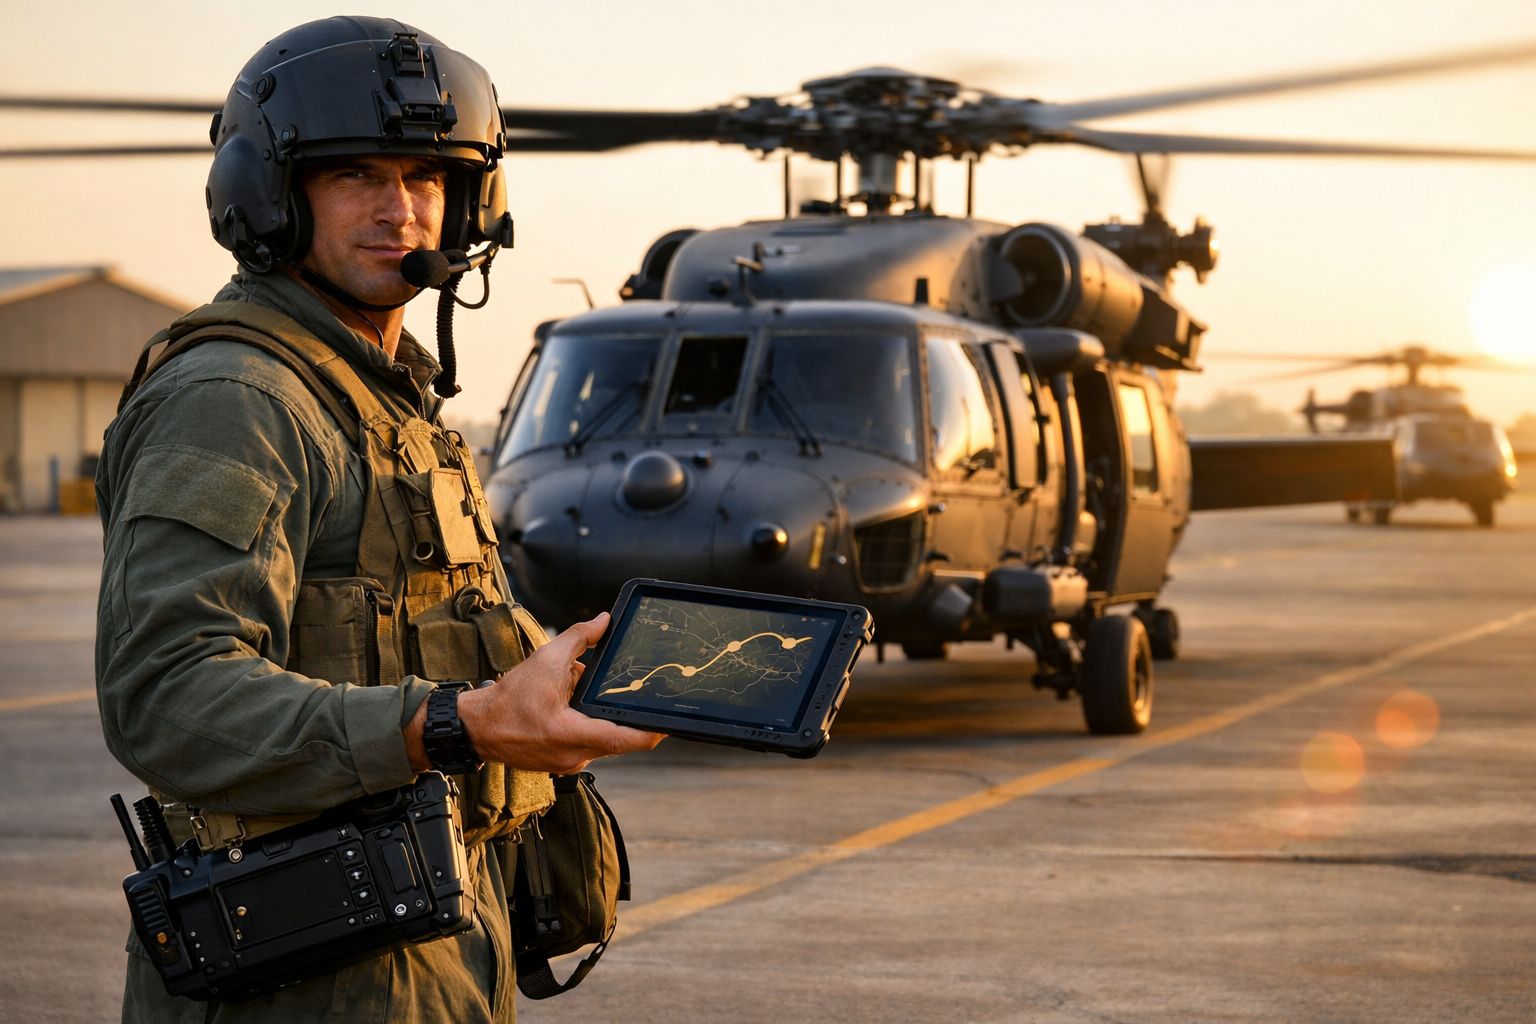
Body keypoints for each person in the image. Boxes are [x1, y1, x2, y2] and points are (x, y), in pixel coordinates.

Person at [94, 16, 660, 1023]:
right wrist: (456, 723)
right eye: (354, 174)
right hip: (304, 973)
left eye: (426, 177)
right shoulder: (239, 394)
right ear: (269, 194)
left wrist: (546, 686)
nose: (398, 209)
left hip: (420, 949)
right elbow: (165, 694)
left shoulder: (383, 399)